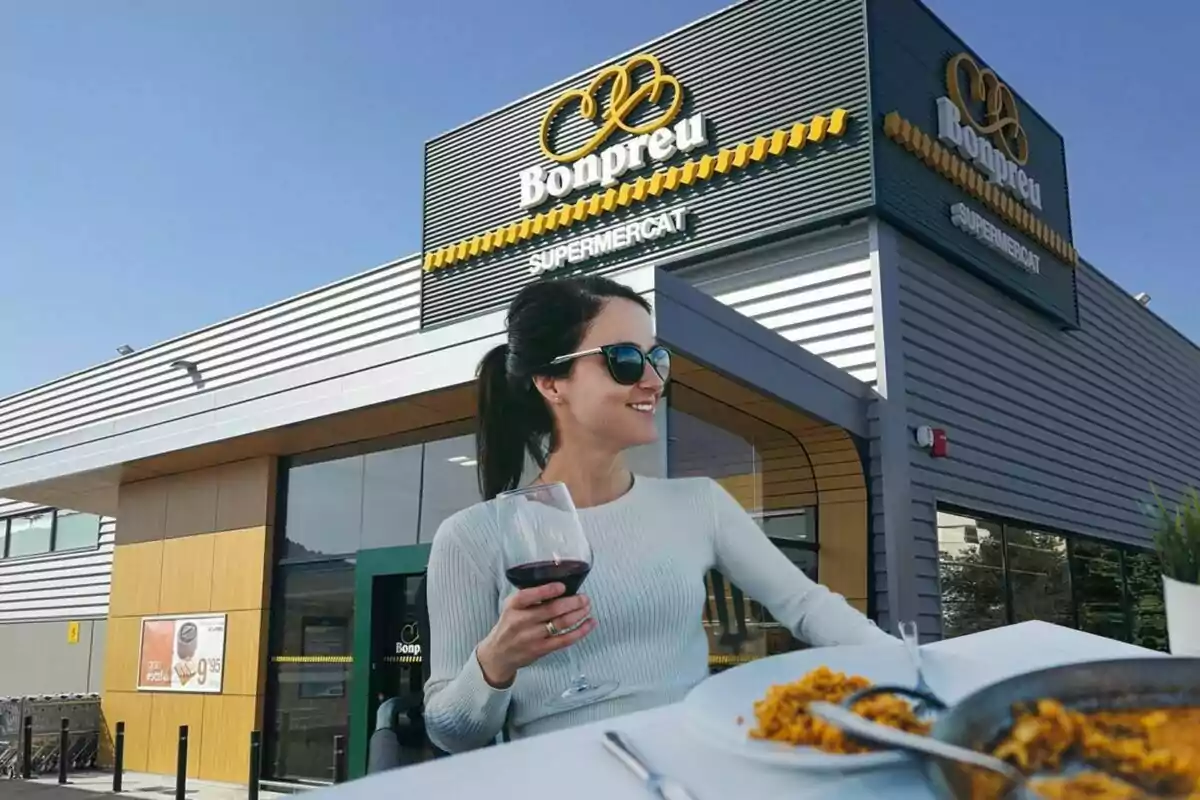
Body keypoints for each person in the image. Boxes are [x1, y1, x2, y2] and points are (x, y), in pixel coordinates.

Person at [423, 275, 898, 754]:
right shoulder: (472, 536)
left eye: (657, 358)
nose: (653, 380)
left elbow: (807, 606)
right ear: (551, 383)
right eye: (626, 360)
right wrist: (496, 660)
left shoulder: (699, 503)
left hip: (695, 764)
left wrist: (913, 666)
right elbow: (449, 732)